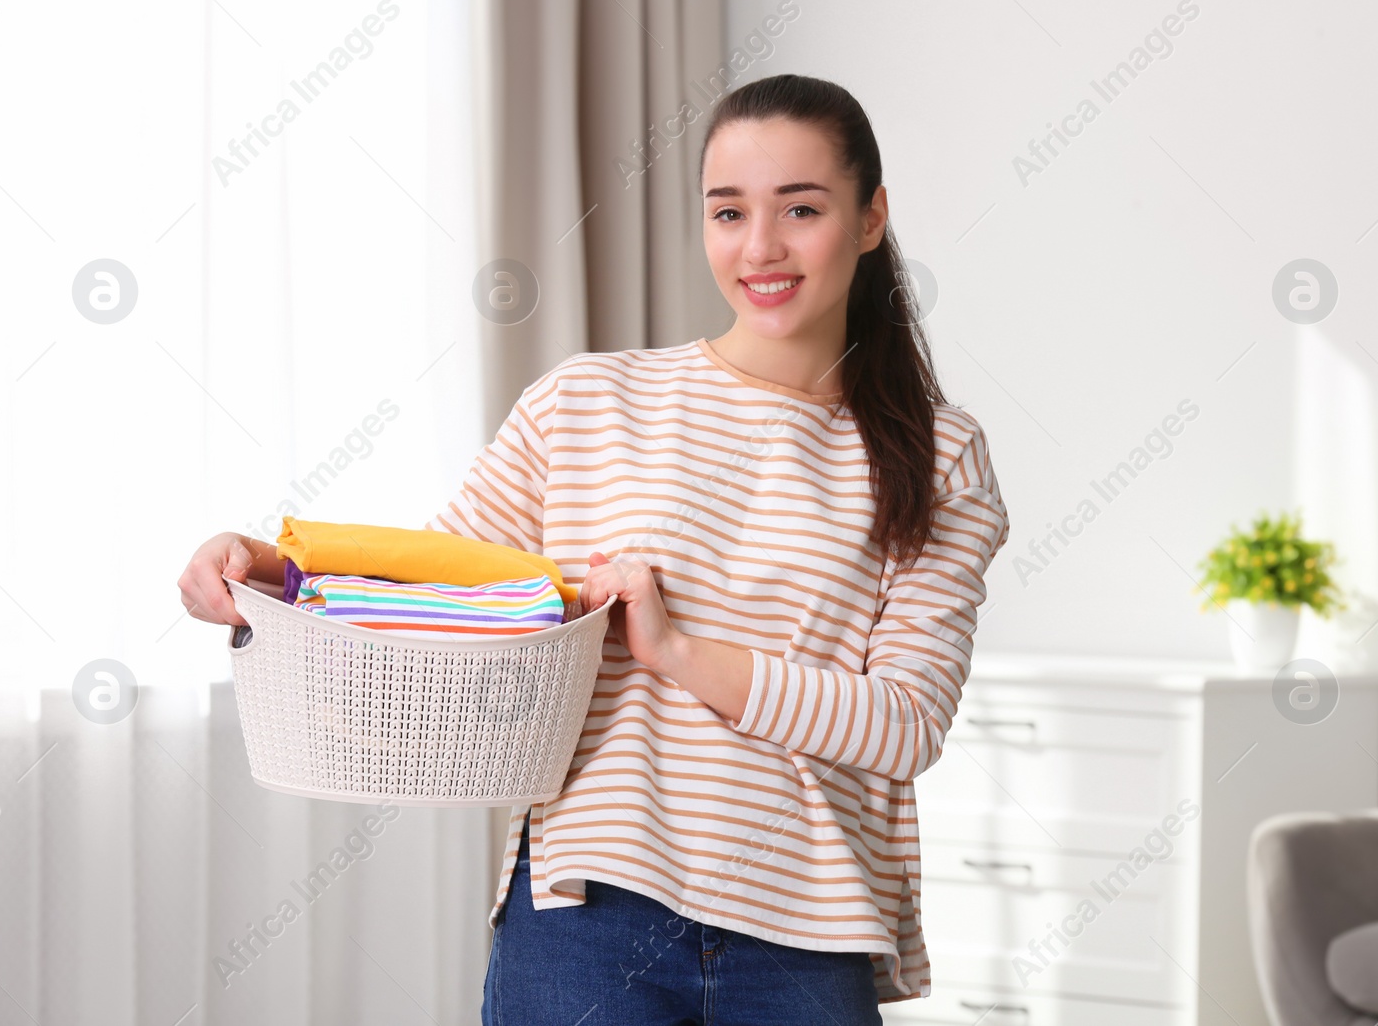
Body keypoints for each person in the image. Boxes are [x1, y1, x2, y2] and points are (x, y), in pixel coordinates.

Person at [178, 72, 1011, 1026]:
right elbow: (443, 579)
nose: (761, 248)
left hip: (804, 936)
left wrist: (679, 653)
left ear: (871, 219)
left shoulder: (938, 453)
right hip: (588, 918)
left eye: (802, 209)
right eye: (728, 211)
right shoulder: (587, 402)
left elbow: (905, 722)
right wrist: (271, 562)